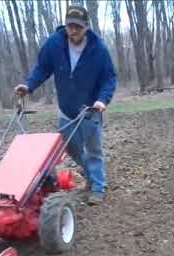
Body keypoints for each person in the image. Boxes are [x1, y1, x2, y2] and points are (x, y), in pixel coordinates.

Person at [15, 5, 117, 204]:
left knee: (93, 150)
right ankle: (90, 177)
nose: (74, 30)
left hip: (90, 109)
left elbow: (109, 78)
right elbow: (42, 68)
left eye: (78, 26)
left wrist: (102, 100)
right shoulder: (54, 44)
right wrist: (28, 86)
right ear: (66, 25)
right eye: (71, 26)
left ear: (86, 26)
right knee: (72, 149)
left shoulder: (99, 48)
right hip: (66, 110)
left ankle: (98, 187)